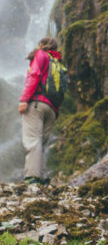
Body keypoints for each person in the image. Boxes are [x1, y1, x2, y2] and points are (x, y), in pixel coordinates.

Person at [18, 37, 62, 184]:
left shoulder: (40, 55)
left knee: (32, 140)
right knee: (41, 143)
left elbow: (34, 75)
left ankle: (32, 177)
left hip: (36, 103)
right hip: (51, 109)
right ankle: (42, 177)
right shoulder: (56, 62)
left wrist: (24, 99)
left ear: (42, 45)